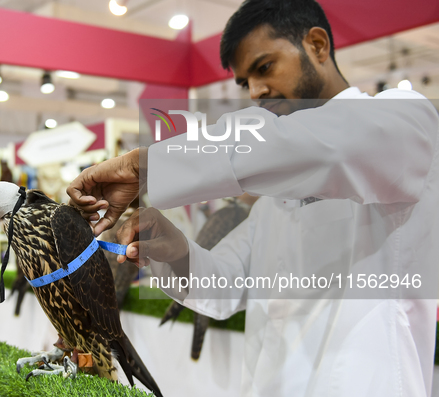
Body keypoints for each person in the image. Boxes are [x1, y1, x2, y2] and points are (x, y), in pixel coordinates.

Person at [68, 0, 439, 396]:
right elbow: (228, 284)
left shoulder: (405, 119)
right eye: (245, 83)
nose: (257, 91)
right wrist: (176, 251)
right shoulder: (274, 201)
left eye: (264, 68)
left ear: (317, 45)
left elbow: (330, 147)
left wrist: (148, 164)